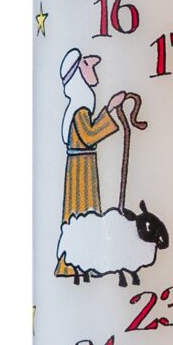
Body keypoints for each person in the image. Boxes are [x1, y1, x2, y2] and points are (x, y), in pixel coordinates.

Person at [56, 48, 130, 275]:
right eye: (87, 65)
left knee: (85, 212)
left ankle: (84, 263)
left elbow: (88, 132)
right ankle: (76, 264)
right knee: (82, 212)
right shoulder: (80, 110)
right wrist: (110, 108)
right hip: (81, 169)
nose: (93, 70)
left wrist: (110, 108)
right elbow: (89, 136)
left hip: (84, 164)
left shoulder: (81, 109)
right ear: (78, 74)